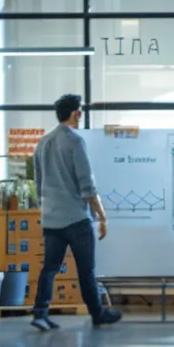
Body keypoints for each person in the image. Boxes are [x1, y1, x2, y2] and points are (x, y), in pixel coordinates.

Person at [31, 94, 124, 330]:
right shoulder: (74, 142)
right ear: (76, 113)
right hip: (76, 219)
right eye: (80, 111)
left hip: (51, 219)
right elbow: (87, 186)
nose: (81, 115)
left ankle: (40, 314)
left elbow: (38, 183)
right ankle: (98, 314)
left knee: (49, 268)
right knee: (86, 270)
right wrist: (102, 216)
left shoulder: (43, 143)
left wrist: (48, 208)